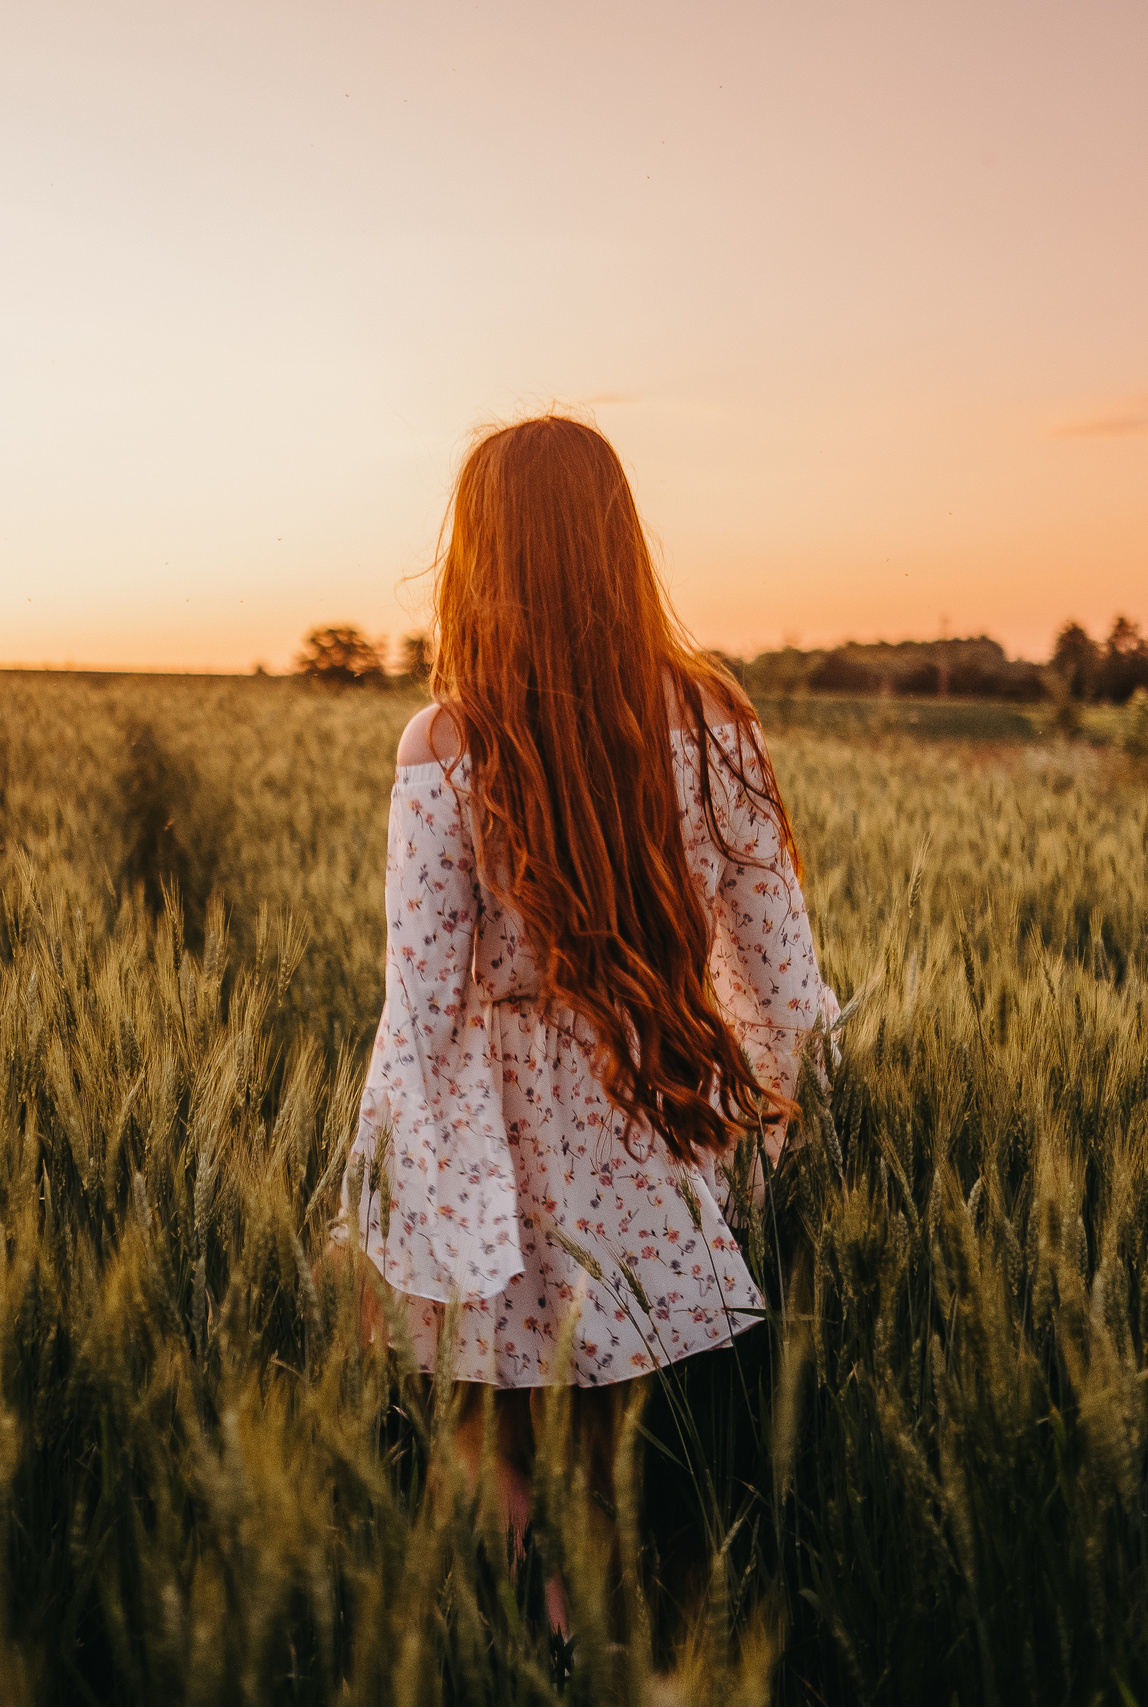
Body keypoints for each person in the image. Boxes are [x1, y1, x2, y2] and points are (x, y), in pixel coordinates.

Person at [331, 414, 843, 1636]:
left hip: (496, 1149)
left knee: (478, 1429)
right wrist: (762, 1141)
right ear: (619, 543)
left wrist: (385, 1197)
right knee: (619, 1469)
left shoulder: (448, 740)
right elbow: (783, 981)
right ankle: (621, 1649)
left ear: (483, 553)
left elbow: (423, 1008)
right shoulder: (715, 720)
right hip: (650, 1127)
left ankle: (549, 1636)